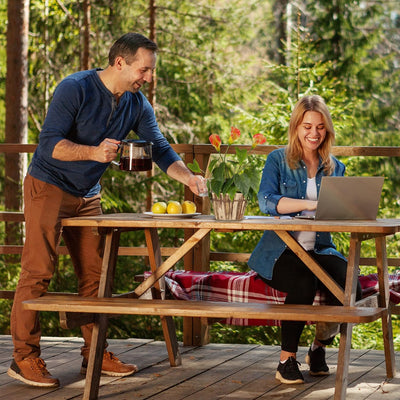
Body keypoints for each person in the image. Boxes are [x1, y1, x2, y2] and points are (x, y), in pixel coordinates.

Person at [7, 32, 206, 388]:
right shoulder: (75, 88)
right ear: (120, 62)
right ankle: (24, 358)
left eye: (150, 72)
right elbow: (50, 144)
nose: (147, 78)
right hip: (48, 185)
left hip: (87, 193)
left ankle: (95, 353)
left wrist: (188, 179)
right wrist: (93, 152)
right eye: (143, 70)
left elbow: (159, 148)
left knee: (95, 276)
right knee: (37, 270)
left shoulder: (135, 102)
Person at [248, 95, 362, 384]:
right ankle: (286, 361)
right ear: (296, 126)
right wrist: (311, 205)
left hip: (321, 248)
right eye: (307, 126)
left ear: (328, 130)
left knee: (352, 287)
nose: (314, 133)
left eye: (321, 127)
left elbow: (338, 214)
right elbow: (266, 202)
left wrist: (351, 209)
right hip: (282, 252)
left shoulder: (335, 166)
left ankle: (318, 348)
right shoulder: (278, 159)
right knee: (304, 281)